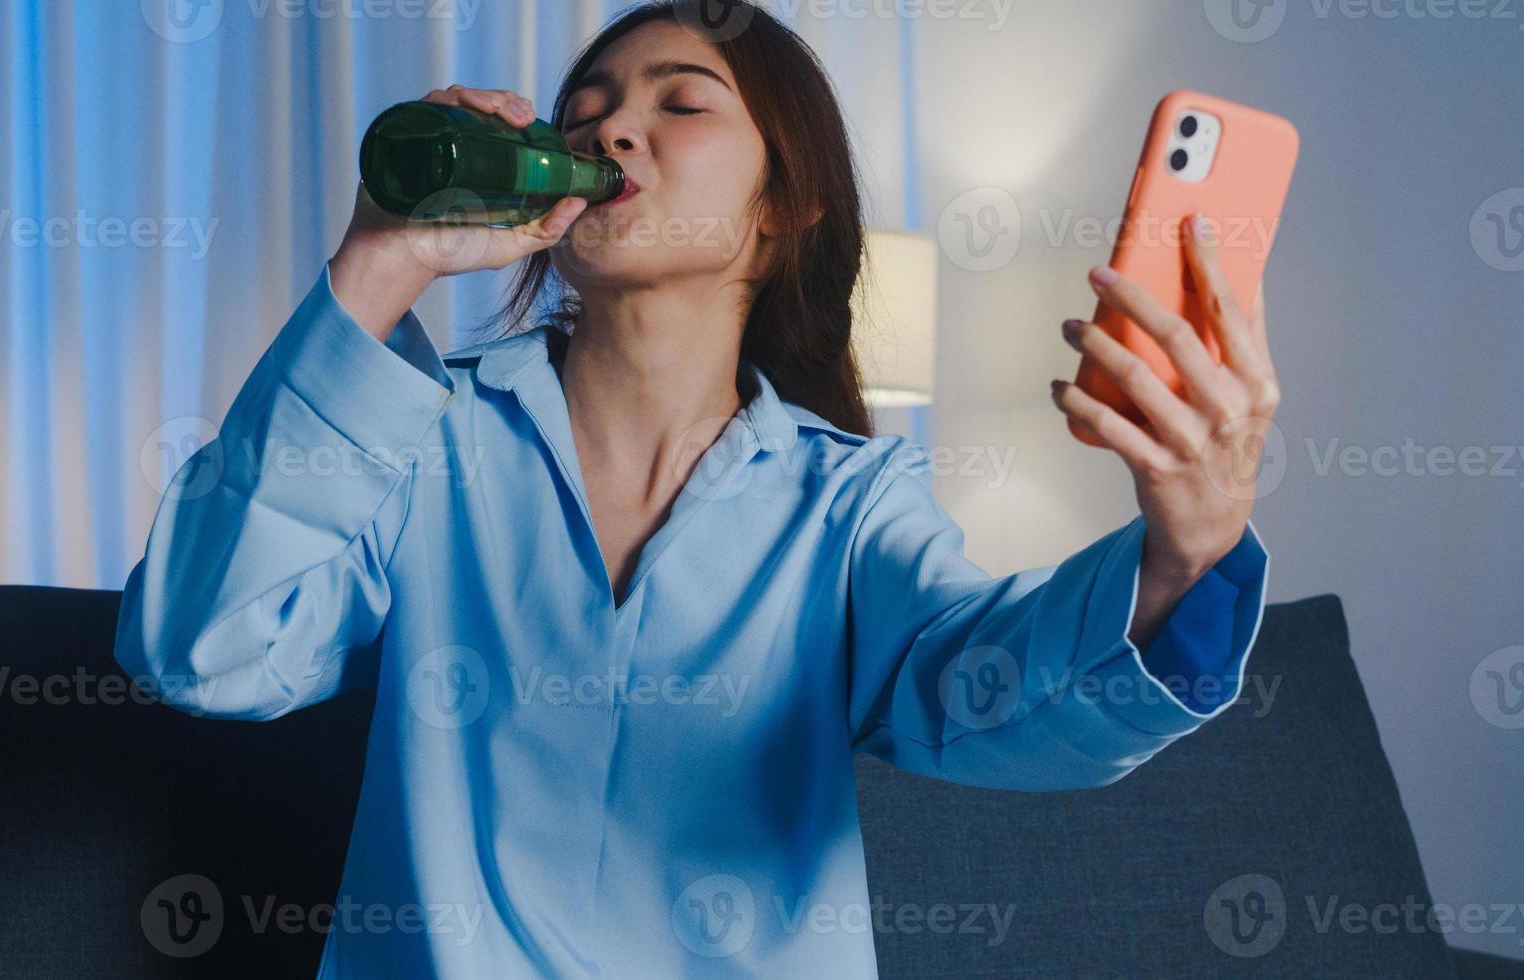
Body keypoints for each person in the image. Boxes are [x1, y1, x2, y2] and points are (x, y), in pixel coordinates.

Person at [113, 2, 1278, 976]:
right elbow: (199, 648)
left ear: (781, 211)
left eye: (678, 102)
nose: (613, 124)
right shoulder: (416, 436)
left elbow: (984, 696)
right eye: (587, 109)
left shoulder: (849, 504)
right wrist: (379, 263)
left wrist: (1183, 553)